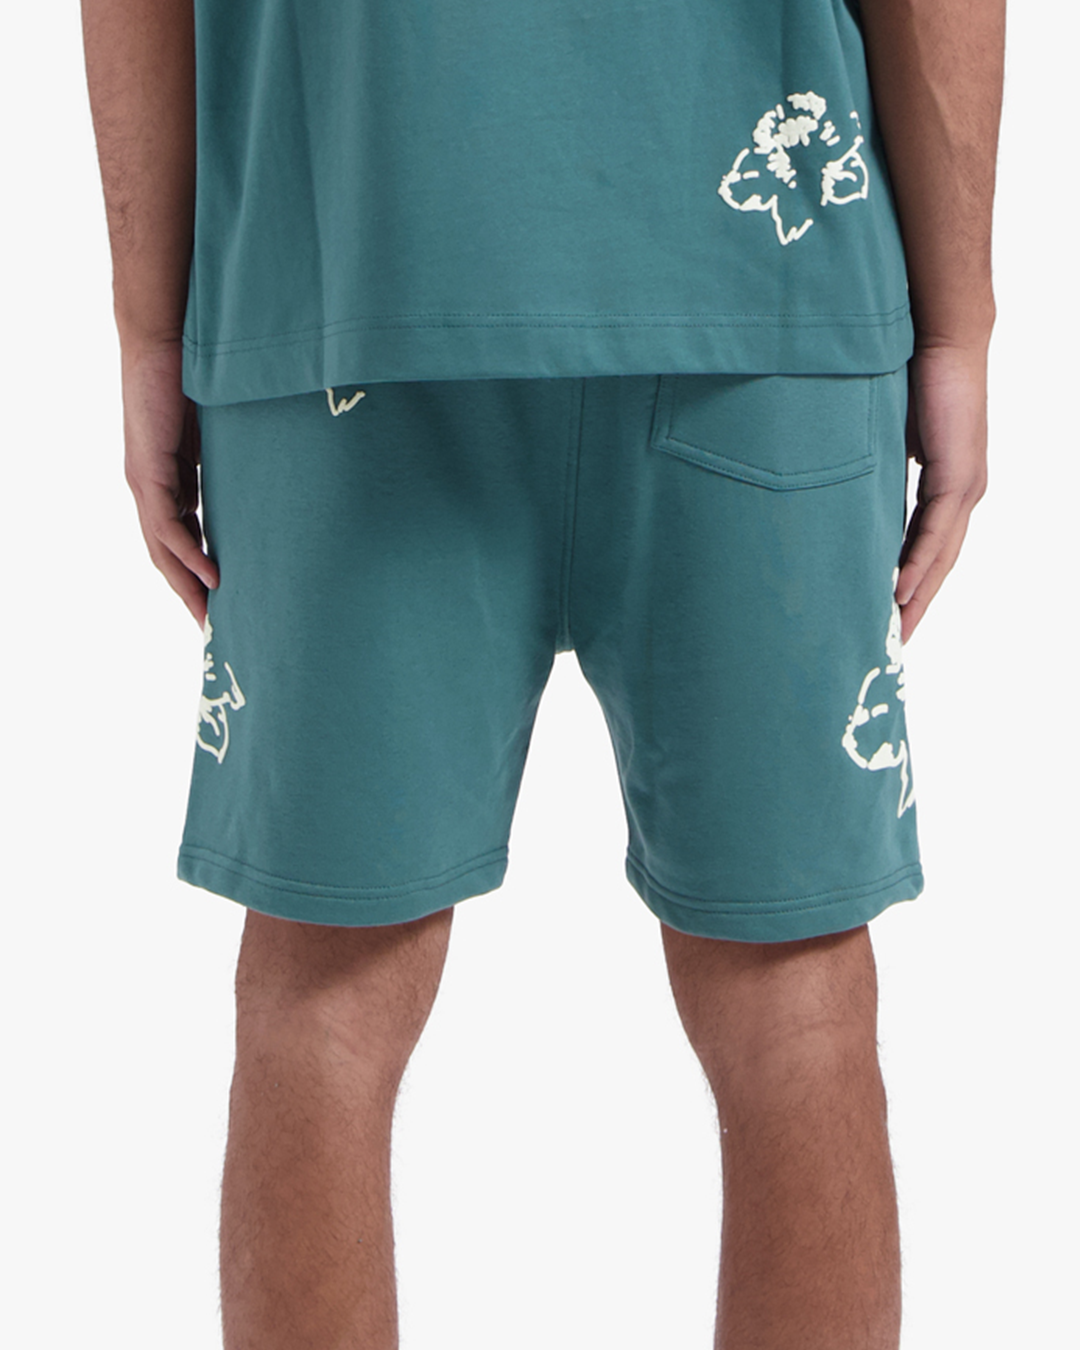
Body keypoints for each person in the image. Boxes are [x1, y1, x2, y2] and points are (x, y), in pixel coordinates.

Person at [80, 1, 1003, 1346]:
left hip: (350, 270)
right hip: (765, 292)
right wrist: (961, 321)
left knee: (325, 997)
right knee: (789, 994)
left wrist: (149, 324)